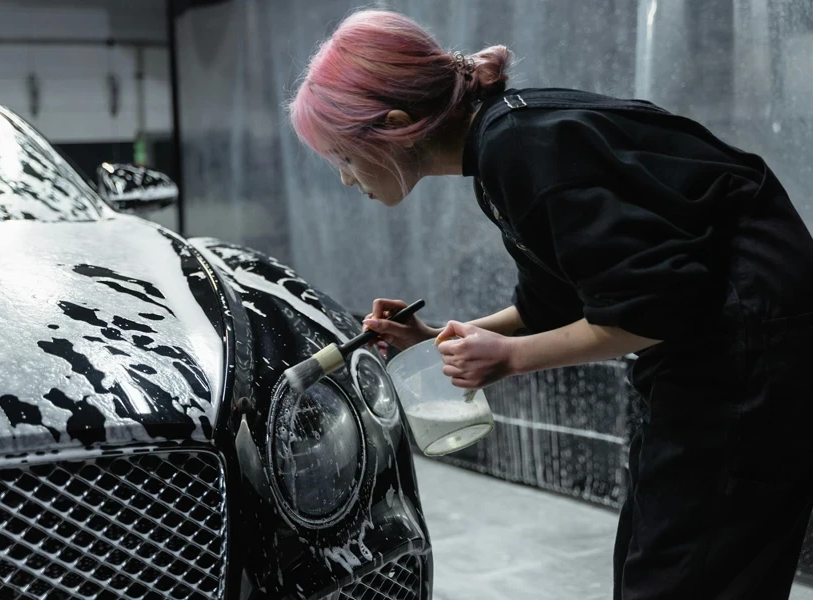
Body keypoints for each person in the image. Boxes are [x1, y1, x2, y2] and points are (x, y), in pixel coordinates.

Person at [288, 8, 813, 600]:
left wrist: (509, 359)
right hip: (711, 351)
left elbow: (650, 309)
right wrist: (433, 340)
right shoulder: (504, 139)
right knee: (657, 558)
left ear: (397, 125)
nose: (345, 180)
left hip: (752, 354)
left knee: (687, 577)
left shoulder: (521, 145)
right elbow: (556, 305)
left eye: (345, 158)